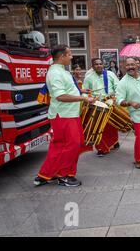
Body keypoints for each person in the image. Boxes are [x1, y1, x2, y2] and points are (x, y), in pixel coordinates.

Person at [34, 45, 95, 187]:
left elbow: (67, 89)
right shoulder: (55, 73)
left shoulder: (62, 71)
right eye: (69, 54)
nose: (72, 57)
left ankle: (46, 174)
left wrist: (81, 91)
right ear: (61, 56)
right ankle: (64, 175)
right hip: (63, 115)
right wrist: (83, 99)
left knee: (63, 145)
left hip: (69, 114)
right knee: (72, 145)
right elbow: (60, 96)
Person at [83, 58, 120, 157]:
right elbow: (84, 92)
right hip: (96, 105)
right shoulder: (88, 77)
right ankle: (101, 148)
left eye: (100, 64)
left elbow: (118, 87)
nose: (99, 65)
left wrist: (115, 97)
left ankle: (114, 141)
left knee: (112, 126)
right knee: (99, 127)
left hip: (110, 102)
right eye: (96, 64)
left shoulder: (110, 74)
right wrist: (88, 100)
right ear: (92, 66)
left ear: (103, 65)